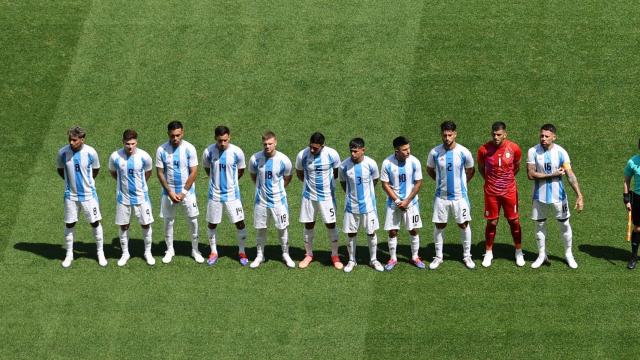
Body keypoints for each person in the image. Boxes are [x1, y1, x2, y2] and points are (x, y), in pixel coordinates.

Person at [527, 123, 584, 269]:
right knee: (540, 224)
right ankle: (541, 255)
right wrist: (553, 174)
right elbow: (531, 174)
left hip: (559, 196)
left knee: (564, 223)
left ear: (554, 137)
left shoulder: (561, 152)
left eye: (547, 136)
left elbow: (570, 175)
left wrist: (579, 195)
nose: (543, 139)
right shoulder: (533, 151)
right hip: (539, 196)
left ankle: (568, 254)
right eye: (541, 136)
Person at [426, 121, 476, 270]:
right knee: (440, 225)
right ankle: (438, 257)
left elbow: (471, 169)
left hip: (460, 198)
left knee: (463, 224)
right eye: (444, 135)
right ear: (441, 134)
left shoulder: (464, 152)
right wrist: (440, 182)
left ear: (455, 134)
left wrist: (463, 184)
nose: (447, 138)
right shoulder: (435, 152)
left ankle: (467, 256)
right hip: (441, 197)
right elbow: (429, 169)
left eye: (450, 135)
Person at [56, 126, 107, 268]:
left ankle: (100, 252)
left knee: (95, 222)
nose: (71, 142)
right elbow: (60, 170)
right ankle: (69, 254)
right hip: (70, 196)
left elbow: (96, 169)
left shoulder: (91, 152)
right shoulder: (62, 153)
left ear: (82, 139)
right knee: (70, 223)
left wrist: (87, 184)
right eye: (70, 140)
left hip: (89, 196)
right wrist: (69, 183)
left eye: (74, 140)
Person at [477, 121, 524, 267]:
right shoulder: (483, 149)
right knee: (492, 222)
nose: (495, 137)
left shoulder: (514, 148)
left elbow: (516, 167)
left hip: (509, 191)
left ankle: (518, 251)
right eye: (493, 134)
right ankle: (489, 252)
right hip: (491, 192)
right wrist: (491, 182)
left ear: (505, 135)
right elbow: (481, 168)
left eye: (498, 135)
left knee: (514, 221)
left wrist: (505, 181)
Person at [156, 121, 203, 264]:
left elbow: (194, 172)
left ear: (182, 133)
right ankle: (170, 250)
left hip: (187, 193)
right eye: (172, 136)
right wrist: (169, 191)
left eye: (178, 135)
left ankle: (195, 250)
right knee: (168, 222)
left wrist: (183, 192)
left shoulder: (189, 148)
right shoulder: (161, 150)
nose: (175, 138)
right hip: (168, 194)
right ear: (168, 134)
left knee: (193, 220)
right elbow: (160, 172)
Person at [295, 132, 343, 270]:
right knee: (308, 225)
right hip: (309, 197)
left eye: (315, 148)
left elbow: (336, 172)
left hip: (327, 197)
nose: (312, 150)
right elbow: (299, 172)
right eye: (311, 146)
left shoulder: (332, 154)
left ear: (323, 146)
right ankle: (309, 254)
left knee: (331, 225)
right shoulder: (302, 155)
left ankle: (335, 255)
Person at [202, 125, 249, 266]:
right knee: (212, 223)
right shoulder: (208, 151)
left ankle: (242, 251)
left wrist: (231, 183)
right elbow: (207, 169)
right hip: (214, 195)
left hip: (232, 196)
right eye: (220, 140)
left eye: (225, 140)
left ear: (230, 137)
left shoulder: (237, 152)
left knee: (240, 223)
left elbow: (241, 170)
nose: (222, 143)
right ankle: (214, 251)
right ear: (215, 138)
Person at [248, 131, 295, 268]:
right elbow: (253, 175)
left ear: (275, 143)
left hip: (278, 201)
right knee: (261, 228)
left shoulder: (284, 160)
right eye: (265, 144)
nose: (267, 146)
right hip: (261, 201)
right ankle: (259, 255)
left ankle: (285, 254)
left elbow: (287, 177)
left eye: (270, 144)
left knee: (283, 228)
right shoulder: (255, 159)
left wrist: (278, 189)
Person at [108, 129, 155, 266]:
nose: (130, 146)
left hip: (141, 198)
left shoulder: (144, 156)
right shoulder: (115, 156)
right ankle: (125, 253)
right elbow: (113, 172)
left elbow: (148, 172)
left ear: (137, 142)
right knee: (124, 226)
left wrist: (139, 186)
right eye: (127, 143)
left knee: (145, 224)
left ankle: (148, 252)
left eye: (133, 143)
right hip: (123, 198)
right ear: (123, 142)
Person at [339, 137, 383, 273]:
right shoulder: (344, 165)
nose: (353, 154)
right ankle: (352, 260)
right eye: (351, 151)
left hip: (369, 207)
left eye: (355, 151)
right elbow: (343, 183)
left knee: (371, 232)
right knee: (351, 233)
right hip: (351, 207)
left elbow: (375, 180)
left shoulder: (371, 164)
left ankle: (373, 259)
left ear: (363, 150)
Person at [380, 136, 425, 271]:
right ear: (396, 150)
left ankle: (415, 257)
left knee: (413, 229)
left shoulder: (414, 162)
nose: (408, 151)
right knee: (393, 231)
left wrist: (407, 201)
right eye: (404, 149)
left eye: (408, 148)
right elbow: (385, 184)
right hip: (394, 204)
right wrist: (398, 201)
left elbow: (418, 183)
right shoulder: (387, 163)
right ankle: (393, 258)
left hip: (411, 203)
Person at [624, 138, 640, 269]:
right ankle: (634, 256)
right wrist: (626, 199)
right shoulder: (632, 162)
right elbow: (626, 181)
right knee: (638, 228)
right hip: (638, 198)